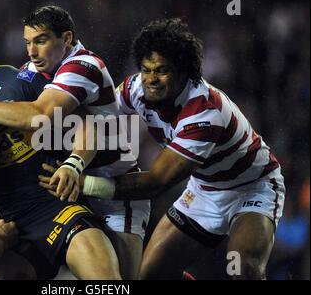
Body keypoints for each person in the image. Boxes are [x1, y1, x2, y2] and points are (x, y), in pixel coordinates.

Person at [42, 18, 286, 280]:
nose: (151, 79)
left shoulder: (204, 114)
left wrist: (85, 184)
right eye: (146, 69)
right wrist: (73, 160)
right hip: (204, 190)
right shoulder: (136, 87)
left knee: (244, 268)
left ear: (184, 71)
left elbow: (155, 182)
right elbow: (99, 117)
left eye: (161, 70)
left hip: (252, 187)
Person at [0, 6, 150, 278]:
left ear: (66, 39)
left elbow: (37, 115)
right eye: (27, 43)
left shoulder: (82, 66)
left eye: (40, 41)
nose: (31, 52)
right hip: (72, 189)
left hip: (115, 192)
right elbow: (8, 97)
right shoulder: (36, 68)